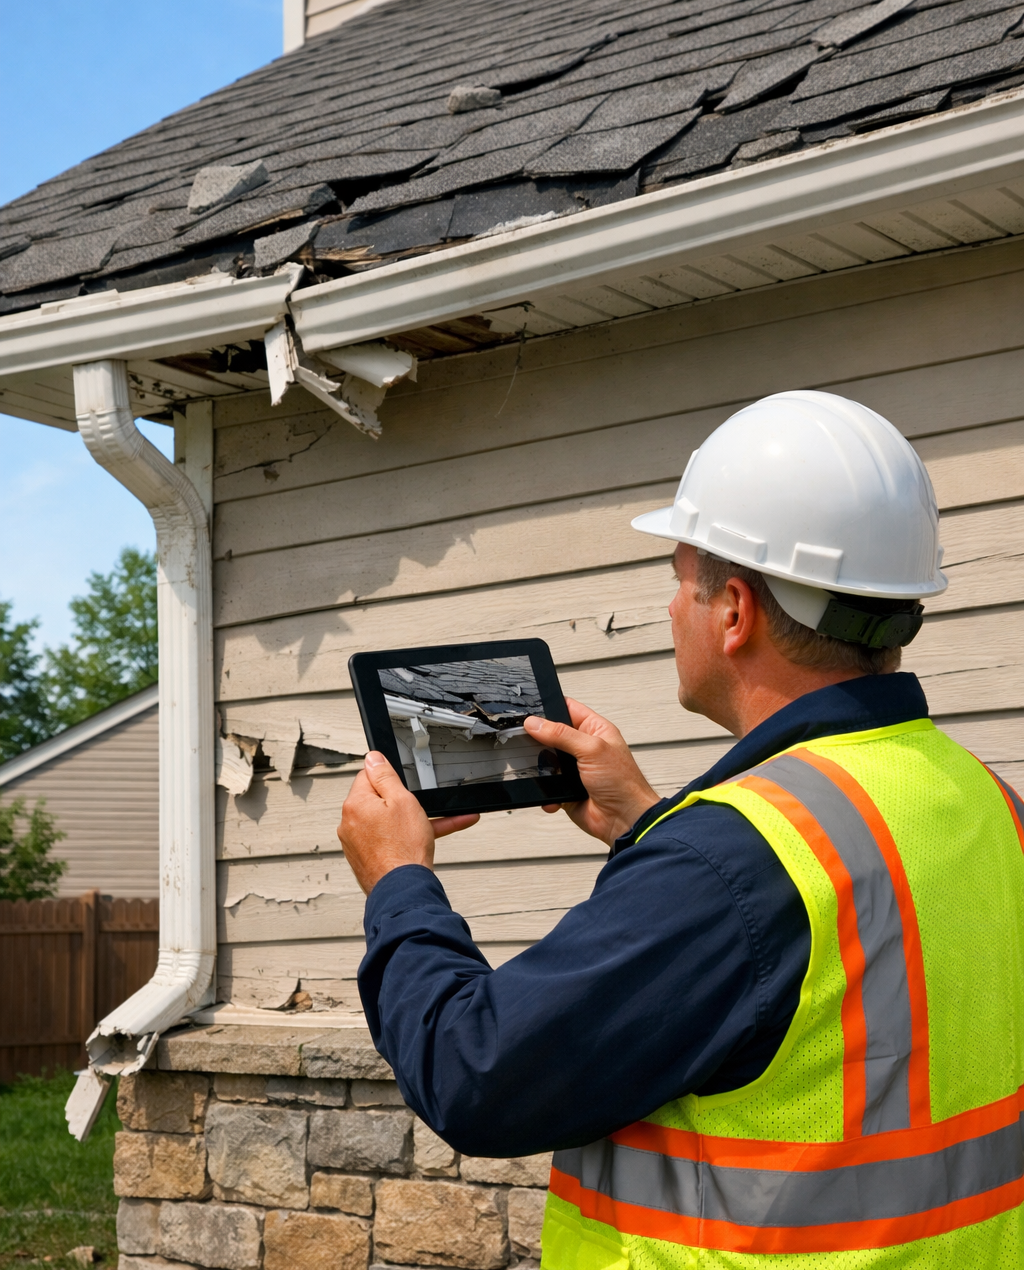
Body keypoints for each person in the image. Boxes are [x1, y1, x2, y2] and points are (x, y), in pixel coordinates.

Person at [339, 390, 1024, 1266]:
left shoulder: (726, 862)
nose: (669, 609)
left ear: (733, 611)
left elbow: (476, 1073)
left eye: (677, 578)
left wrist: (399, 884)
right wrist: (645, 821)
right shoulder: (983, 800)